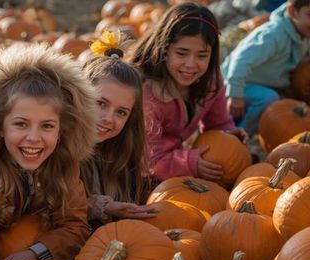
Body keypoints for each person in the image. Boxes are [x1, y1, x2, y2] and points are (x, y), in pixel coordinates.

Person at [0, 42, 97, 260]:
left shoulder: (63, 164)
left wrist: (35, 253)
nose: (34, 138)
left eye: (47, 126)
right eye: (21, 124)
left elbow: (75, 226)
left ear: (61, 130)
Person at [130, 2, 248, 182]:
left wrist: (228, 134)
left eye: (202, 55)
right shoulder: (148, 95)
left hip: (172, 162)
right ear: (164, 49)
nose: (191, 64)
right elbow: (148, 161)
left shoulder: (211, 82)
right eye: (182, 53)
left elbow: (219, 122)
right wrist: (190, 163)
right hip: (137, 172)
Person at [80, 31, 158, 229]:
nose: (108, 118)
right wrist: (105, 207)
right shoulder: (57, 147)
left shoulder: (118, 154)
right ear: (80, 97)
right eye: (100, 103)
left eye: (121, 113)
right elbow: (54, 204)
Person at [222, 0, 310, 136]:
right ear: (292, 11)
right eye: (309, 15)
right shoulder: (273, 34)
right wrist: (235, 94)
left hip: (261, 84)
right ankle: (236, 135)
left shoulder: (302, 32)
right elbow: (241, 59)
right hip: (234, 83)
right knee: (269, 98)